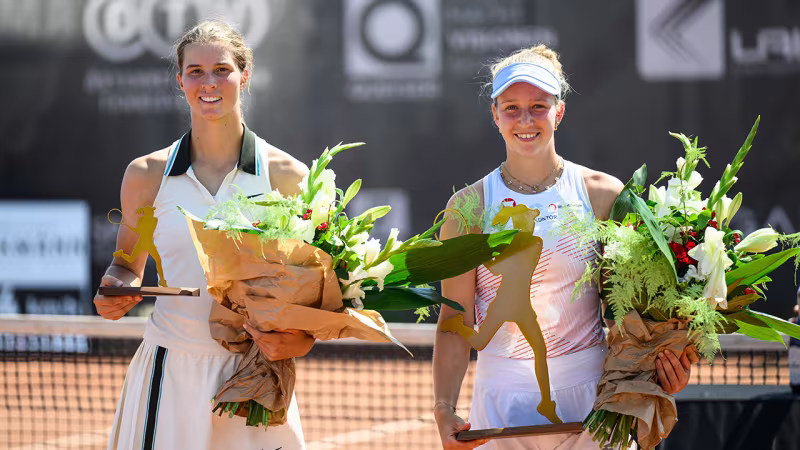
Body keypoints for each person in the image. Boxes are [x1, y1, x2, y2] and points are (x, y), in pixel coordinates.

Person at [432, 44, 698, 450]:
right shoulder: (467, 209)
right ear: (494, 114)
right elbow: (454, 324)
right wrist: (443, 406)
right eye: (511, 107)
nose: (525, 119)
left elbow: (633, 315)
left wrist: (664, 365)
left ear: (559, 111)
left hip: (595, 407)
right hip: (498, 409)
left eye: (538, 106)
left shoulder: (603, 196)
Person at [93, 21, 313, 450]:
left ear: (244, 75)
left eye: (221, 69)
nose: (208, 82)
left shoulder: (288, 176)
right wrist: (116, 290)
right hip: (169, 371)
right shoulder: (145, 175)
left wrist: (296, 340)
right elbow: (125, 265)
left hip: (254, 378)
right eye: (195, 71)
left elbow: (306, 299)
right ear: (180, 81)